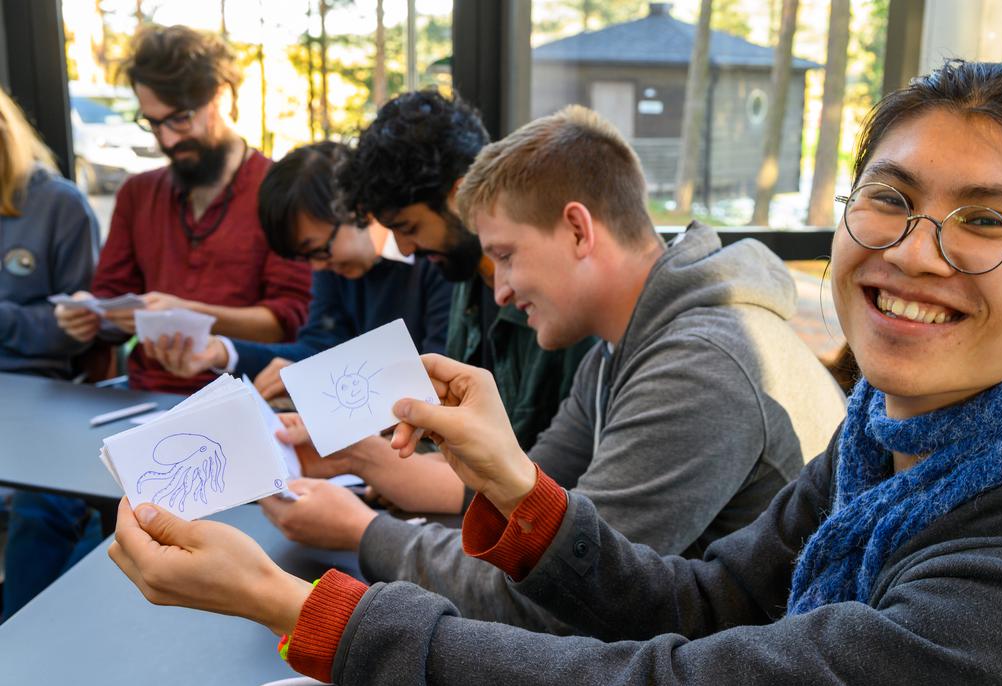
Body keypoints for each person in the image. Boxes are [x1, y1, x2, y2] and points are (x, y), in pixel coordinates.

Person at [109, 61, 1002, 686]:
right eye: (890, 200)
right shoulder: (886, 440)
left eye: (987, 223)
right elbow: (706, 600)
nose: (915, 253)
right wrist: (513, 487)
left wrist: (300, 605)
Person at [255, 106, 847, 631]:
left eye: (506, 256)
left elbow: (561, 594)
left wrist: (364, 533)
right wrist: (440, 461)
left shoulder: (699, 368)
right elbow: (534, 511)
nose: (501, 291)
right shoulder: (613, 355)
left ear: (578, 230)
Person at [327, 89, 593, 453]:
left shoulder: (558, 296)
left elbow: (542, 470)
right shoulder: (464, 281)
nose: (405, 249)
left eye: (409, 228)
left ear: (460, 195)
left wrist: (363, 460)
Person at [54, 24, 311, 394]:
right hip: (143, 394)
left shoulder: (278, 192)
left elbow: (288, 322)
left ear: (222, 97)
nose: (168, 139)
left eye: (180, 118)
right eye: (153, 123)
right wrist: (89, 315)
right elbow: (111, 300)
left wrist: (188, 313)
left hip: (244, 394)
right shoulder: (138, 193)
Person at [145, 141, 451, 396]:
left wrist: (317, 378)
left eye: (318, 250)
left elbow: (438, 370)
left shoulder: (431, 259)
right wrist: (221, 351)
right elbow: (319, 348)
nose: (317, 266)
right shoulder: (332, 267)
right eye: (305, 257)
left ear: (357, 209)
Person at [0, 87, 101, 619]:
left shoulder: (58, 204)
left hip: (40, 393)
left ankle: (18, 636)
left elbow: (79, 330)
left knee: (41, 507)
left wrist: (12, 322)